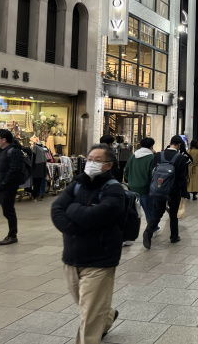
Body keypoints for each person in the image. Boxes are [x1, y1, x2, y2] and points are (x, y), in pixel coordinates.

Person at [51, 144, 124, 343]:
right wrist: (74, 228)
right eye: (90, 158)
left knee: (89, 315)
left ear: (108, 165)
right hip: (72, 257)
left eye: (97, 160)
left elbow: (96, 216)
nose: (91, 162)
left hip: (100, 259)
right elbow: (57, 209)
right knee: (86, 304)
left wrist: (73, 208)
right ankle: (107, 315)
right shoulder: (77, 184)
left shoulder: (115, 190)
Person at [143, 136, 189, 249]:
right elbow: (183, 178)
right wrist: (184, 193)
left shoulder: (158, 155)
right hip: (174, 190)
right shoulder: (181, 158)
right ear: (179, 145)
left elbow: (153, 172)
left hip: (159, 187)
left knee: (158, 212)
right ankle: (174, 236)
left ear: (170, 143)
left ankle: (148, 231)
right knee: (173, 213)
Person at [123, 137, 156, 239]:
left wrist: (130, 181)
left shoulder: (133, 156)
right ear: (151, 146)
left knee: (132, 212)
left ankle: (126, 234)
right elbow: (153, 174)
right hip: (145, 188)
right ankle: (152, 228)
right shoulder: (151, 157)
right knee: (149, 210)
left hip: (132, 188)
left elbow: (126, 170)